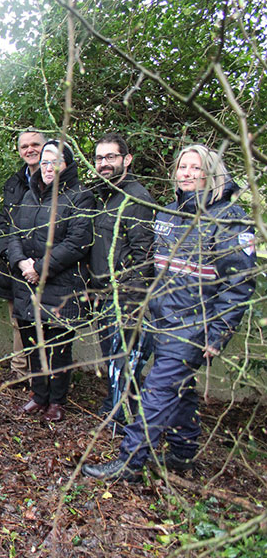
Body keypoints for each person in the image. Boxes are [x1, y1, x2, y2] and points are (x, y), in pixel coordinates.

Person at [83, 145, 257, 482]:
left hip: (194, 326)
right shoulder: (166, 214)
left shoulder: (228, 220)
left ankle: (130, 462)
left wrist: (216, 335)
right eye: (182, 167)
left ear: (211, 173)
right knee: (181, 389)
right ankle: (181, 451)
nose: (187, 173)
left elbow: (238, 286)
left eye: (196, 168)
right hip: (160, 320)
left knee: (158, 390)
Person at [8, 140, 93, 422]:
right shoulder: (29, 195)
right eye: (44, 161)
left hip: (59, 286)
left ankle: (57, 400)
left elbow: (77, 242)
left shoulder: (80, 197)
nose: (47, 167)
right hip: (27, 283)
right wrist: (21, 262)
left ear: (66, 164)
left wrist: (41, 268)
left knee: (58, 347)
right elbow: (14, 233)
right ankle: (38, 395)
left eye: (54, 161)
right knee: (33, 344)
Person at [87, 133, 154, 425]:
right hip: (103, 294)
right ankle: (117, 409)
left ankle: (126, 418)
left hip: (124, 298)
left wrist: (131, 300)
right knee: (113, 359)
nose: (104, 164)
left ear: (126, 160)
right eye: (100, 158)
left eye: (110, 157)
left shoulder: (136, 198)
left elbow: (144, 256)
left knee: (125, 360)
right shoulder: (105, 195)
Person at [0, 130, 45, 380]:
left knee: (46, 323)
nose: (30, 150)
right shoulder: (13, 182)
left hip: (47, 266)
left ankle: (43, 377)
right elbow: (4, 223)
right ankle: (20, 372)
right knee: (18, 320)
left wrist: (39, 264)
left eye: (35, 144)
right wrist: (11, 256)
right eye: (24, 146)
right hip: (15, 263)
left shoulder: (58, 182)